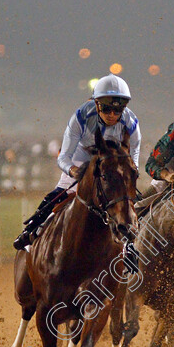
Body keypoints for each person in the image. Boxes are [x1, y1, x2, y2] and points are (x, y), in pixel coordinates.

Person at [12, 74, 142, 251]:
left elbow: (133, 161)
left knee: (130, 202)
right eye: (106, 109)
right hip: (82, 159)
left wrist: (129, 177)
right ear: (96, 104)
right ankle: (31, 229)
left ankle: (134, 248)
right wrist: (74, 171)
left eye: (117, 110)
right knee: (58, 195)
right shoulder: (80, 117)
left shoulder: (132, 122)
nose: (112, 115)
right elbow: (63, 157)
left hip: (111, 163)